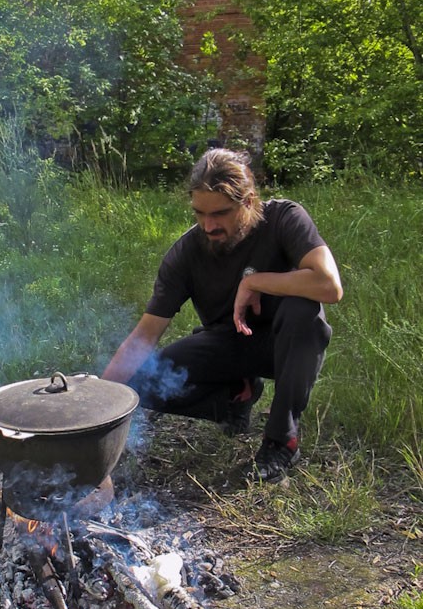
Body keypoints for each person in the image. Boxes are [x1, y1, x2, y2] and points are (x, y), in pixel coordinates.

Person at [102, 148, 343, 482]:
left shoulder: (285, 218)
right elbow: (144, 336)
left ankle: (281, 440)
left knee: (303, 308)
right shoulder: (185, 253)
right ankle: (233, 400)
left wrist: (256, 281)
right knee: (144, 382)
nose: (208, 225)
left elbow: (329, 286)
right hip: (229, 344)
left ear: (248, 202)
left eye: (220, 213)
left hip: (287, 345)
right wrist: (98, 404)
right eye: (199, 213)